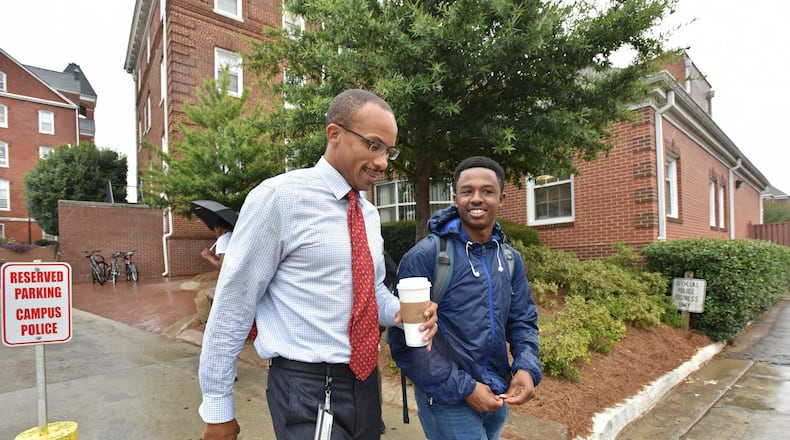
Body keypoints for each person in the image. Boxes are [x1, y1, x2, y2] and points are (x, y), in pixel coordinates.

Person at [198, 88, 439, 440]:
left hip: (365, 382)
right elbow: (234, 303)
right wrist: (218, 408)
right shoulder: (278, 198)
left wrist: (399, 312)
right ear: (335, 134)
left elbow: (369, 289)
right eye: (373, 145)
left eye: (389, 150)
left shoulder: (369, 214)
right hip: (306, 387)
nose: (383, 162)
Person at [388, 156, 542, 440]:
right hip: (447, 397)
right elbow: (405, 341)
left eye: (487, 191)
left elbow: (523, 321)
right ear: (455, 197)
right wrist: (466, 388)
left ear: (501, 198)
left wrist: (526, 367)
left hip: (497, 392)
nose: (477, 198)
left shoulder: (509, 258)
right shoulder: (426, 256)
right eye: (467, 191)